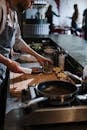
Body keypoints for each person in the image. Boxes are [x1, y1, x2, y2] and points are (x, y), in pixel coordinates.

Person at [0, 0, 52, 129]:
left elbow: (18, 41)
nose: (32, 3)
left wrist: (38, 56)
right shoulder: (0, 7)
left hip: (3, 68)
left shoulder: (13, 12)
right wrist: (9, 62)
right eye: (31, 0)